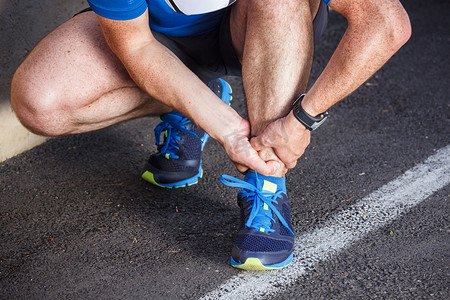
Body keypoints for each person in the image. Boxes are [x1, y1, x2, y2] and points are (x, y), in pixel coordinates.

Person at [10, 0, 411, 270]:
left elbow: (386, 24)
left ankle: (267, 181)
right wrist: (219, 123)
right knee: (39, 102)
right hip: (161, 41)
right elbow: (135, 46)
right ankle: (188, 103)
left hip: (265, 28)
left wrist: (300, 121)